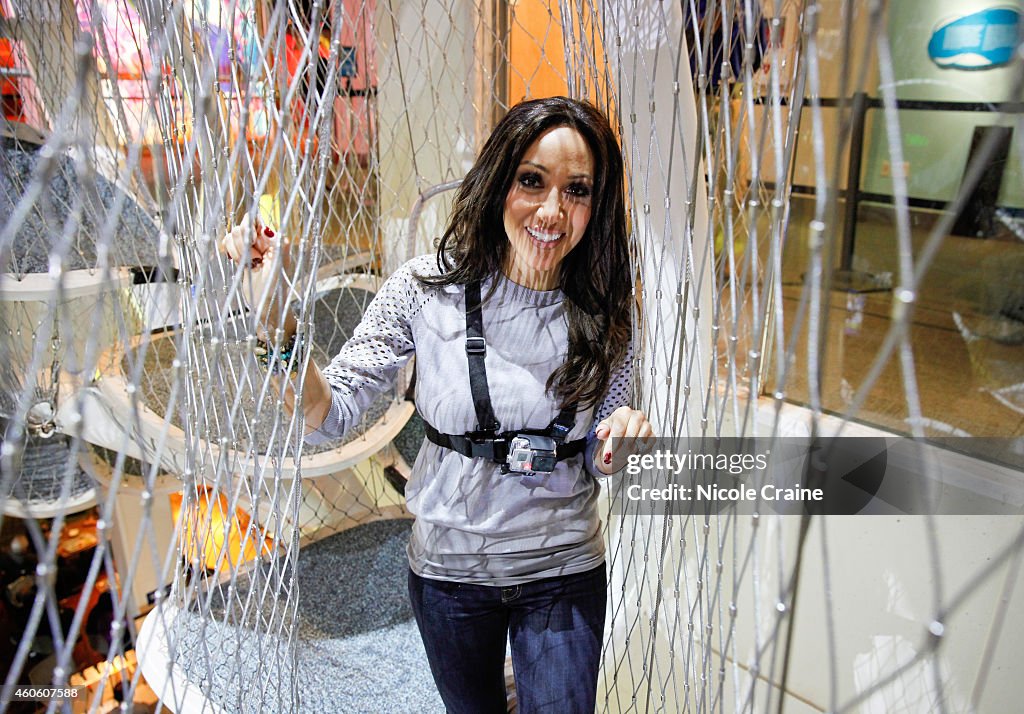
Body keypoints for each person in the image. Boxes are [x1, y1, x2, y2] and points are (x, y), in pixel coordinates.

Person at [221, 96, 652, 713]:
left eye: (577, 190)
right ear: (499, 181)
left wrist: (620, 445)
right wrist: (275, 323)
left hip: (561, 568)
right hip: (451, 575)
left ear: (596, 205)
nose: (553, 211)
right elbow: (329, 416)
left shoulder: (609, 311)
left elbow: (599, 452)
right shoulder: (426, 290)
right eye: (532, 181)